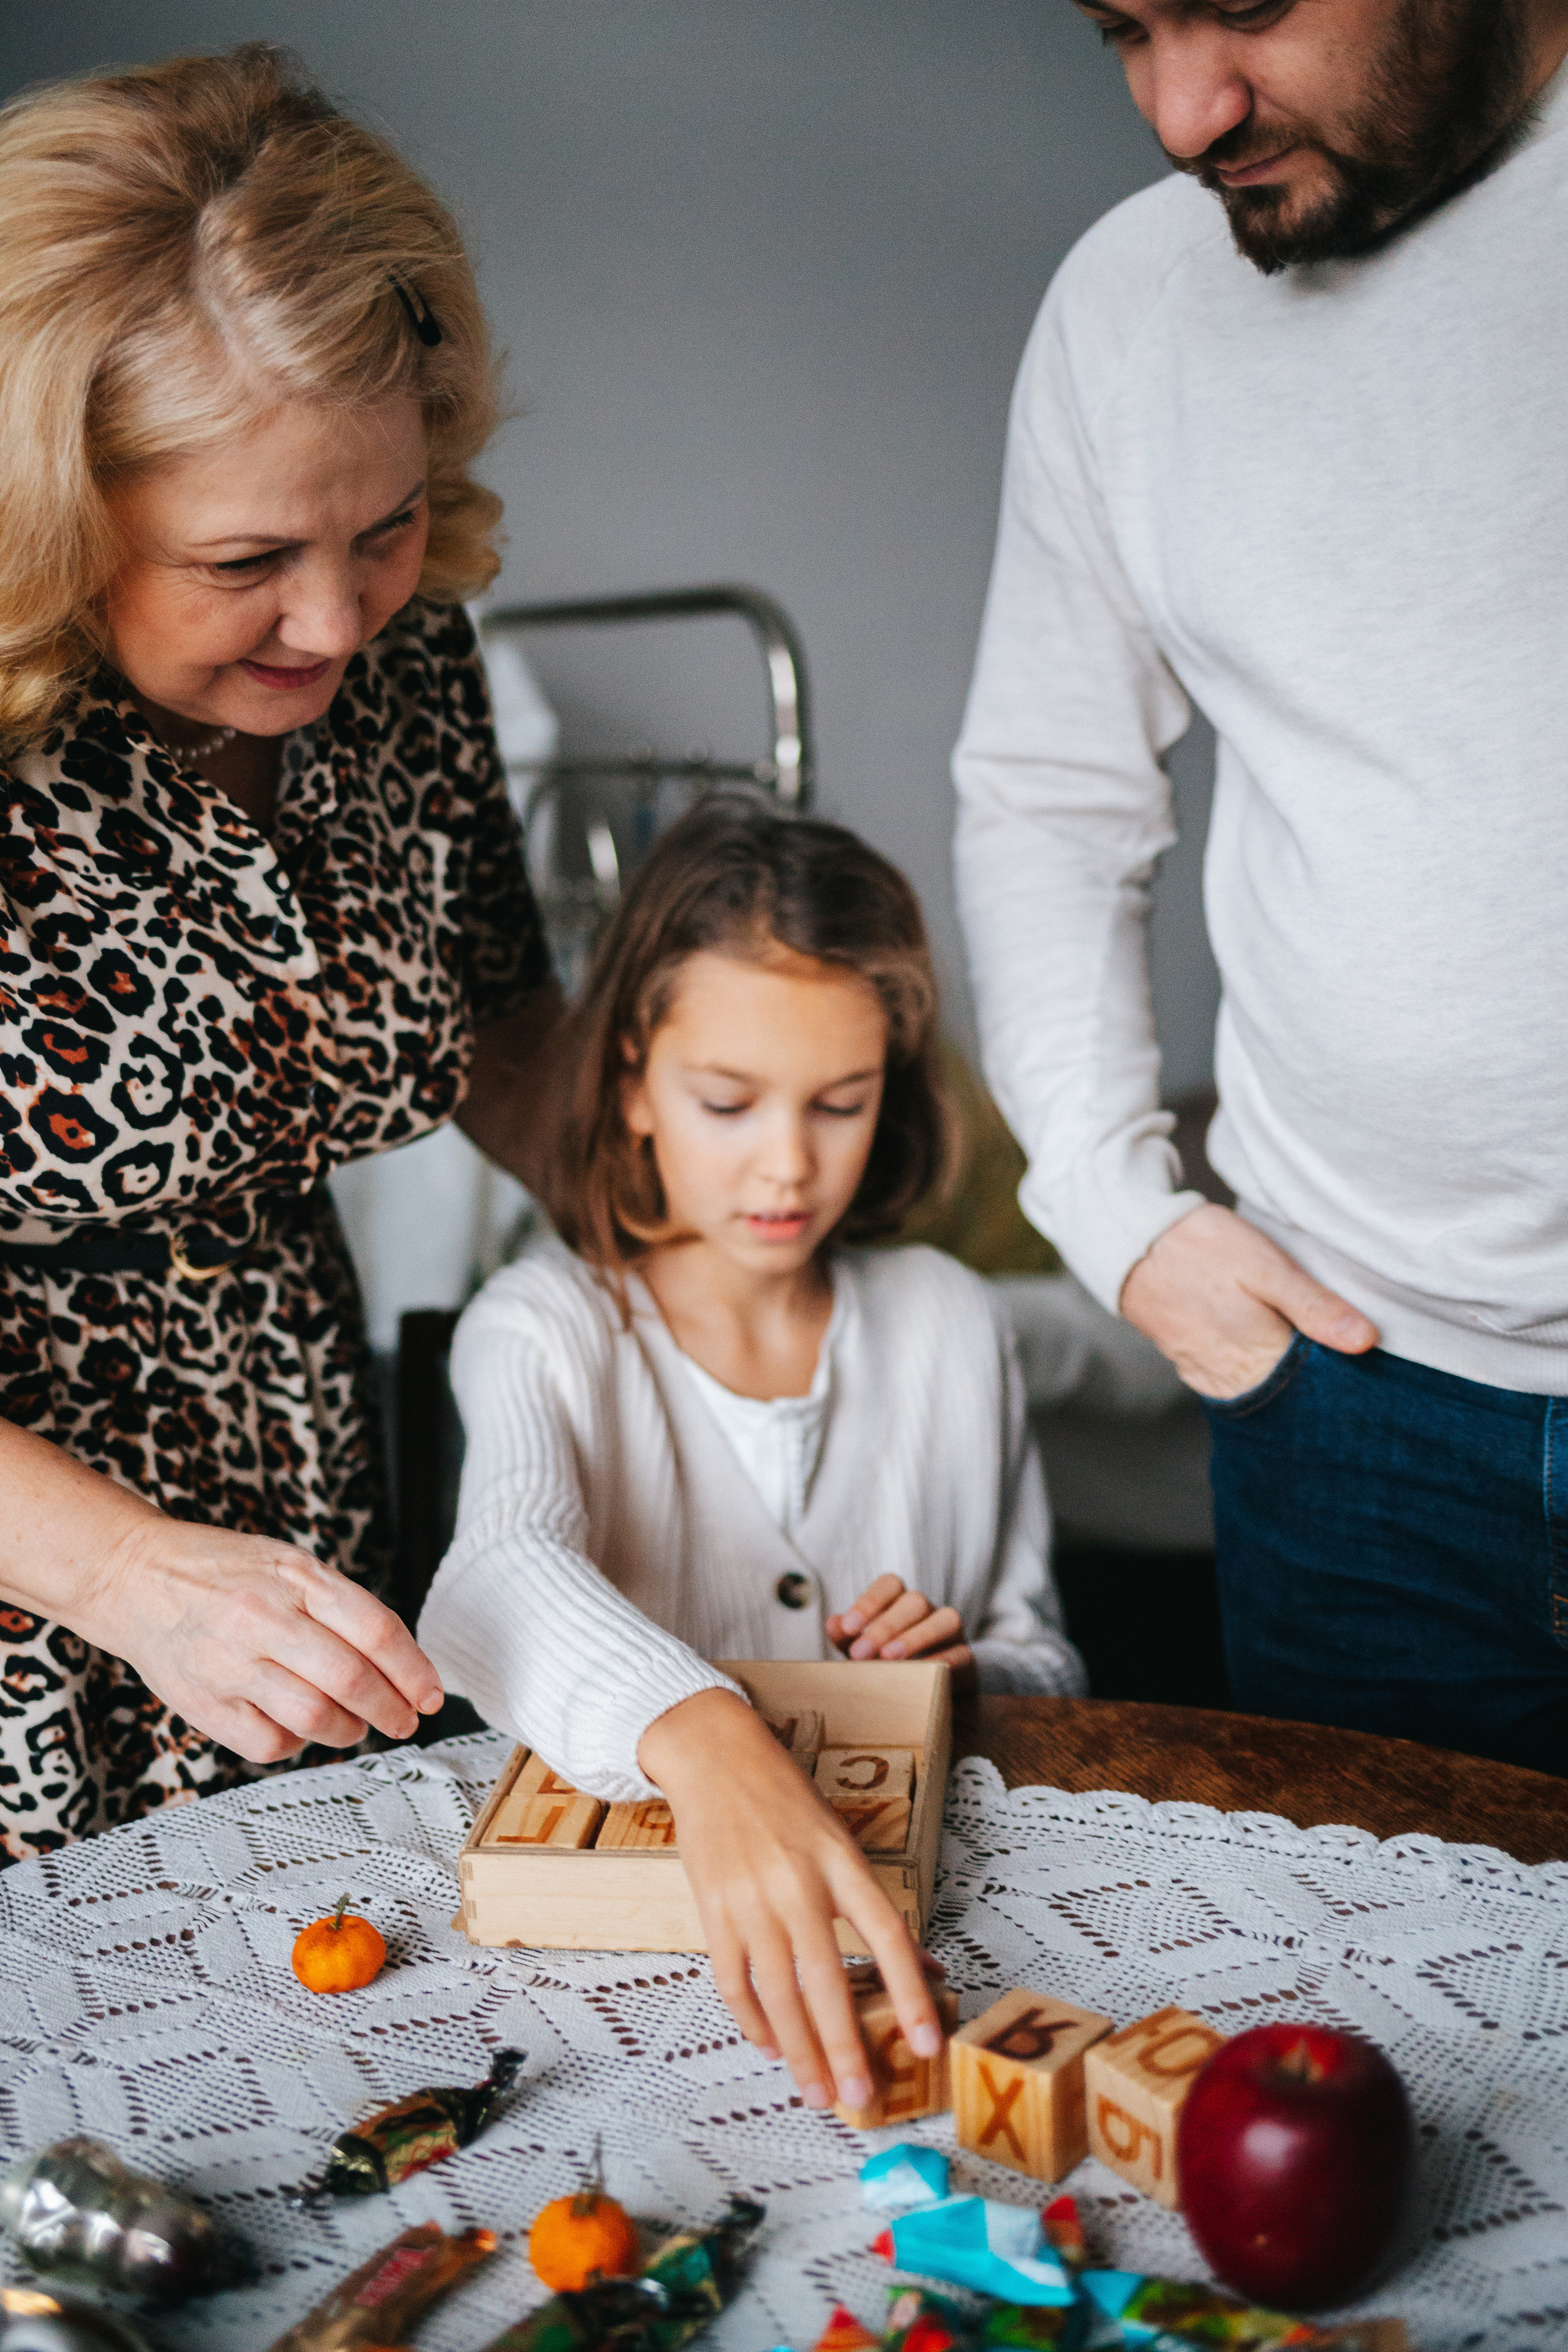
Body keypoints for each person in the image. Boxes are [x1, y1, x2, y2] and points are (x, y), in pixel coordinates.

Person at [953, 0, 1568, 1771]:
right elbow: (1050, 793)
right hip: (1350, 1424)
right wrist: (1119, 1220)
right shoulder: (1131, 309)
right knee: (1389, 2036)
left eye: (1244, 6)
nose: (1179, 108)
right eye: (1124, 29)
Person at [0, 44, 561, 1861]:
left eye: (383, 522)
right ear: (55, 517)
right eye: (245, 559)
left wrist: (737, 1273)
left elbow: (496, 1025)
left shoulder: (401, 666)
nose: (335, 616)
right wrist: (132, 1579)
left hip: (304, 1501)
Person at [418, 794, 1084, 2112]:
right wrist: (709, 1738)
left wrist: (965, 1673)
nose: (787, 1166)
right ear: (631, 1082)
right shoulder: (548, 1326)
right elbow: (494, 1579)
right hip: (626, 1997)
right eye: (727, 1101)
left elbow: (1048, 1657)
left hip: (914, 1952)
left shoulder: (952, 1324)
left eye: (840, 1103)